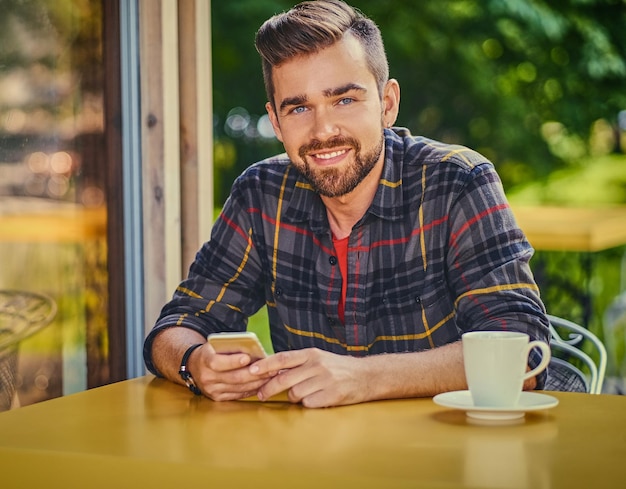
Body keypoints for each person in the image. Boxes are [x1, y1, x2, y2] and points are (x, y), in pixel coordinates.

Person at [144, 0, 550, 408]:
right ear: (277, 121)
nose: (323, 130)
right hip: (318, 459)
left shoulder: (458, 181)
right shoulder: (260, 194)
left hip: (448, 454)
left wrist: (364, 378)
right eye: (299, 108)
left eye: (345, 100)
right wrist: (195, 363)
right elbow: (177, 325)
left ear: (387, 104)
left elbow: (524, 354)